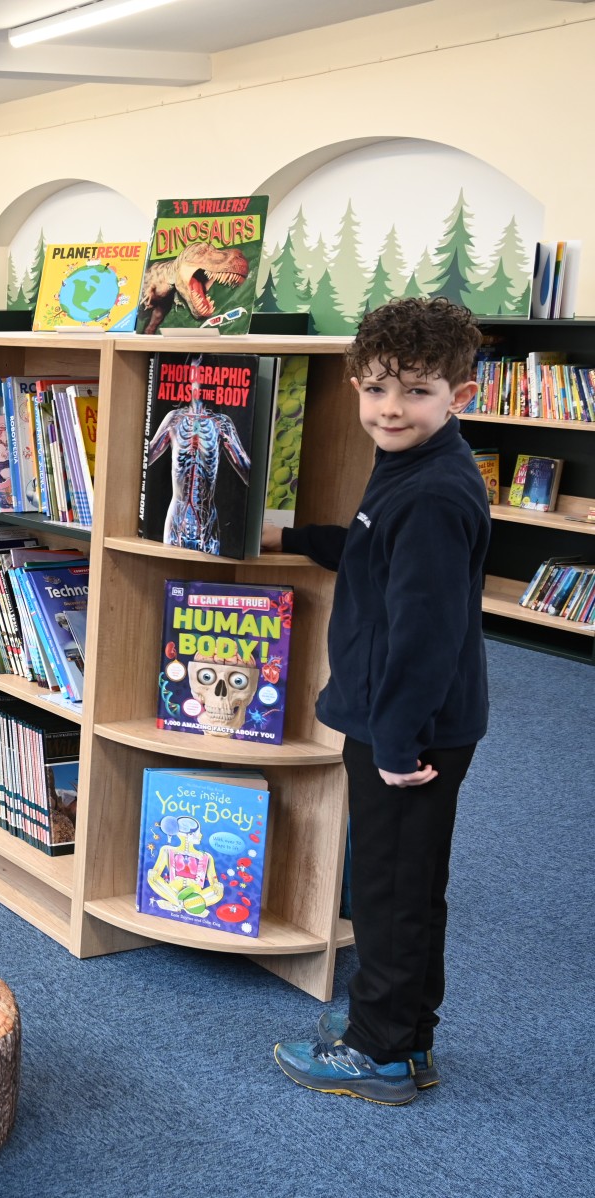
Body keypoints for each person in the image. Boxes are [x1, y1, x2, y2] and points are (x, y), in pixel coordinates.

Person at [267, 297, 490, 1106]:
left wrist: (397, 745)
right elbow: (368, 546)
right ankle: (402, 1035)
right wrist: (295, 539)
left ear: (459, 396)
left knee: (393, 892)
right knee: (405, 882)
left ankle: (383, 1055)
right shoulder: (410, 468)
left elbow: (425, 635)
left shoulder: (433, 493)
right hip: (402, 721)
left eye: (417, 392)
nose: (390, 409)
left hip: (410, 733)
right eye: (376, 389)